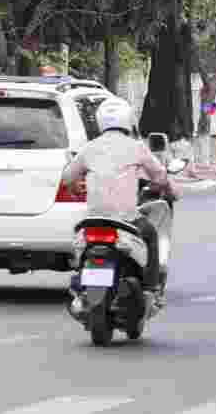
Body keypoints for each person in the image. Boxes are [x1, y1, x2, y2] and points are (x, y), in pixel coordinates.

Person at [62, 97, 176, 305]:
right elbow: (160, 176)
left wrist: (74, 188)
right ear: (128, 120)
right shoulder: (136, 147)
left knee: (80, 246)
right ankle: (150, 288)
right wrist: (168, 189)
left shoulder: (90, 147)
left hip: (94, 219)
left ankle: (81, 281)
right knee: (150, 234)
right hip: (125, 218)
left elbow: (68, 177)